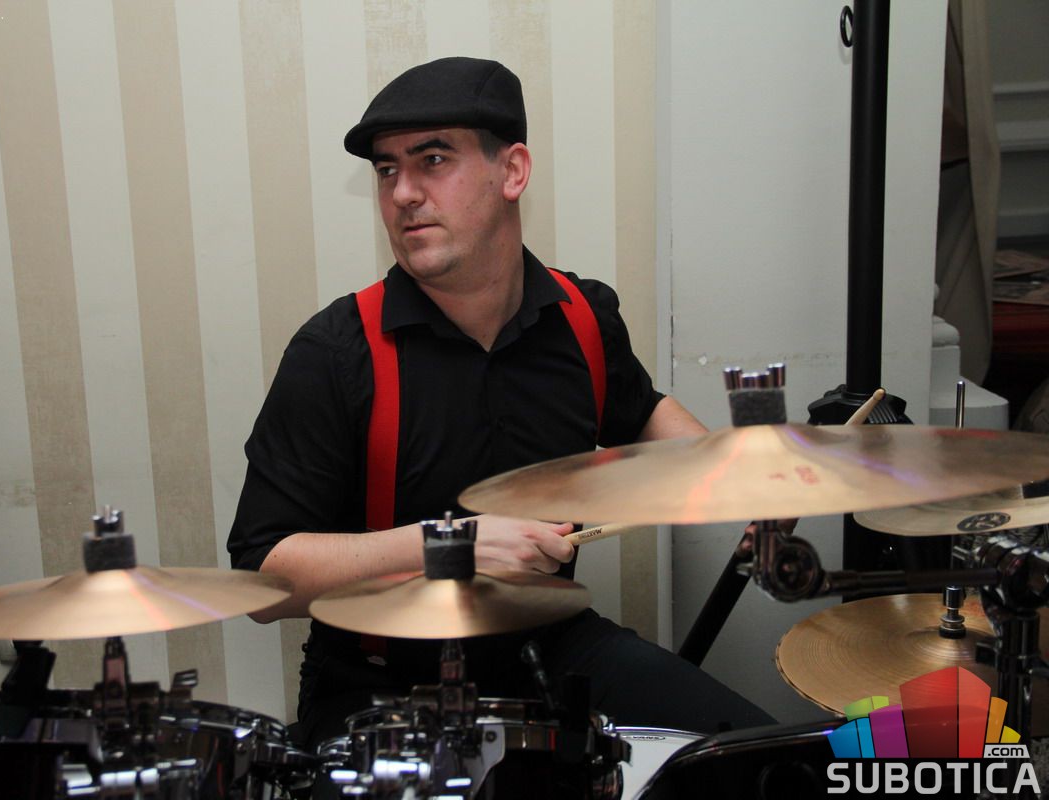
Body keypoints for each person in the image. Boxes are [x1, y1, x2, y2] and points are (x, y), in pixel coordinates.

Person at [228, 56, 773, 750]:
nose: (402, 193)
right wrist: (451, 544)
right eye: (388, 170)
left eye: (432, 160)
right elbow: (264, 575)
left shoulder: (582, 317)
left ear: (513, 171)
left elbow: (641, 413)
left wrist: (741, 479)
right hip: (383, 681)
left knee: (763, 760)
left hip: (554, 646)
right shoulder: (337, 352)